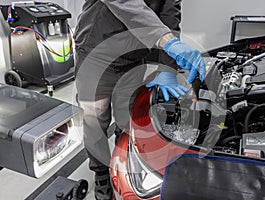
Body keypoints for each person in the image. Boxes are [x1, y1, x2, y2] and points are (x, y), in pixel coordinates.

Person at [74, 0, 206, 199]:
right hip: (97, 51)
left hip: (133, 55)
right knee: (95, 121)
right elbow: (126, 3)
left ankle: (123, 162)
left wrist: (167, 68)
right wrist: (168, 42)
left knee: (127, 115)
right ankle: (101, 173)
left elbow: (169, 16)